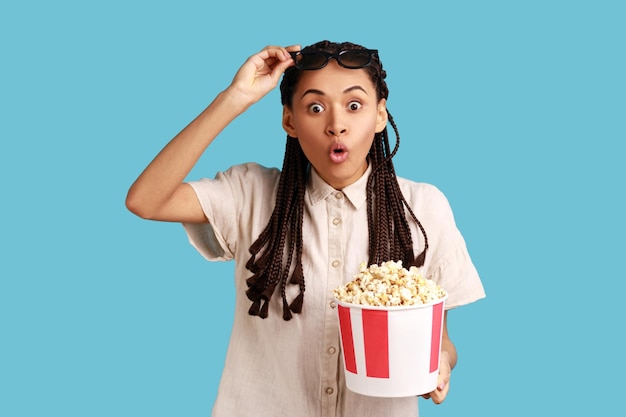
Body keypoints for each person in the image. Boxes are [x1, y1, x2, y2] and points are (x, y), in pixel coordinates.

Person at [126, 40, 485, 417]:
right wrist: (235, 98)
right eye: (315, 107)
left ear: (380, 115)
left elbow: (440, 340)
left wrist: (440, 364)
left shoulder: (424, 208)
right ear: (289, 121)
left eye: (354, 105)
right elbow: (145, 200)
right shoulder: (249, 194)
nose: (336, 125)